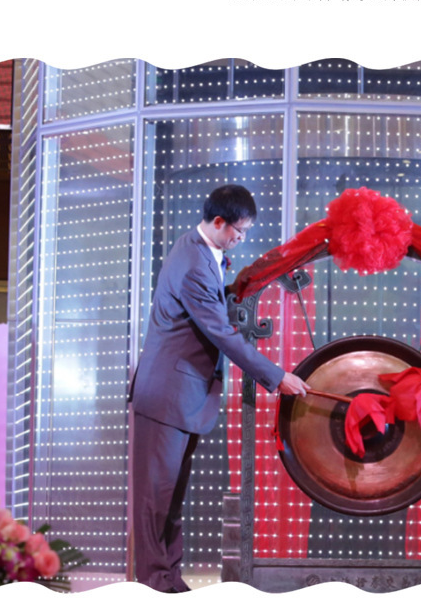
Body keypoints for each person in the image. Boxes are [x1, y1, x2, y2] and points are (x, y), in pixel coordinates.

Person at [129, 184, 307, 592]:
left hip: (182, 396)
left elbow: (209, 303)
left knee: (170, 499)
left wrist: (234, 289)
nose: (241, 239)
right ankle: (155, 587)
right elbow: (220, 332)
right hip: (167, 396)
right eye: (239, 231)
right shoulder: (194, 262)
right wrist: (276, 376)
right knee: (155, 502)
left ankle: (168, 581)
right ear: (219, 222)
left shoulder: (197, 249)